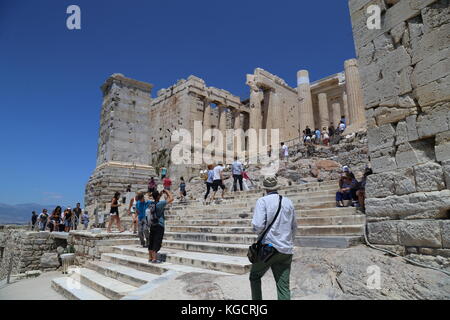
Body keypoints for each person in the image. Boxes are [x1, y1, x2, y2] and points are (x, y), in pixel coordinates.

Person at [250, 176, 297, 300]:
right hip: (286, 249)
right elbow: (294, 226)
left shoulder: (262, 201)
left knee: (254, 276)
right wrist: (289, 242)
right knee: (283, 286)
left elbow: (258, 225)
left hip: (268, 249)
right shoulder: (288, 201)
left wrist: (255, 231)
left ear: (265, 189)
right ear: (277, 188)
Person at [148, 190, 174, 263]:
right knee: (157, 241)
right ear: (158, 196)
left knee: (151, 241)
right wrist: (167, 191)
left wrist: (158, 195)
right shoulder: (160, 204)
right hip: (159, 225)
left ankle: (150, 257)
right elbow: (171, 198)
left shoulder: (151, 203)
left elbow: (156, 197)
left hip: (152, 224)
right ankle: (154, 259)